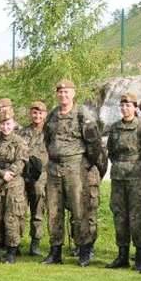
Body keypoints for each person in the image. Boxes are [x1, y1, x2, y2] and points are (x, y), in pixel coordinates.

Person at [42, 78, 103, 267]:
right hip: (54, 168)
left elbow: (94, 144)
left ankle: (84, 250)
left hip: (75, 167)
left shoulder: (82, 114)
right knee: (54, 210)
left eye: (66, 92)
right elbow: (47, 139)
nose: (63, 95)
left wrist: (86, 163)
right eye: (60, 92)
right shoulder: (52, 115)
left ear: (73, 93)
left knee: (79, 210)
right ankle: (55, 251)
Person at [105, 92, 141, 272]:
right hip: (118, 178)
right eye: (122, 105)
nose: (125, 108)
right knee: (120, 216)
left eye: (128, 105)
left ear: (135, 108)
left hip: (137, 179)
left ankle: (140, 257)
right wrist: (121, 165)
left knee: (138, 217)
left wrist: (140, 169)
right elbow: (111, 151)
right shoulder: (115, 128)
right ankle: (122, 255)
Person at [0, 108, 29, 264]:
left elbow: (19, 164)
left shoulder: (20, 142)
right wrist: (0, 174)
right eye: (3, 124)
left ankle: (11, 252)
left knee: (12, 218)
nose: (5, 127)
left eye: (8, 124)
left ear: (14, 123)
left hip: (13, 185)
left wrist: (2, 180)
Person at [18, 100, 49, 256]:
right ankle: (15, 242)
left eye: (40, 113)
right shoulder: (22, 133)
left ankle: (35, 243)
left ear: (45, 114)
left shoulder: (50, 133)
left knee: (37, 212)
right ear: (30, 114)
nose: (37, 116)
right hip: (23, 176)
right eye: (34, 113)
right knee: (19, 210)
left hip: (41, 178)